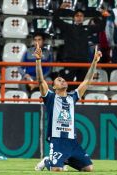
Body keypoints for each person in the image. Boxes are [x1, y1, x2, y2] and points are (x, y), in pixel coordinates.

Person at [34, 44, 102, 172]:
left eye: (63, 79)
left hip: (72, 141)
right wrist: (38, 60)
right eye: (59, 80)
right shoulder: (50, 97)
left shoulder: (73, 96)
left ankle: (63, 159)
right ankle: (48, 161)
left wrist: (94, 62)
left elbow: (87, 81)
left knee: (89, 169)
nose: (63, 81)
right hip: (57, 140)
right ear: (54, 87)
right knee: (56, 170)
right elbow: (40, 80)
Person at [53, 2, 106, 90]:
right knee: (67, 85)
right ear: (74, 18)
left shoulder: (87, 29)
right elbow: (55, 20)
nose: (79, 17)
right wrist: (60, 9)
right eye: (77, 15)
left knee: (82, 85)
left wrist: (104, 16)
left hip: (83, 61)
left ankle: (80, 102)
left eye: (81, 15)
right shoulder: (68, 27)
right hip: (70, 61)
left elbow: (101, 27)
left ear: (83, 18)